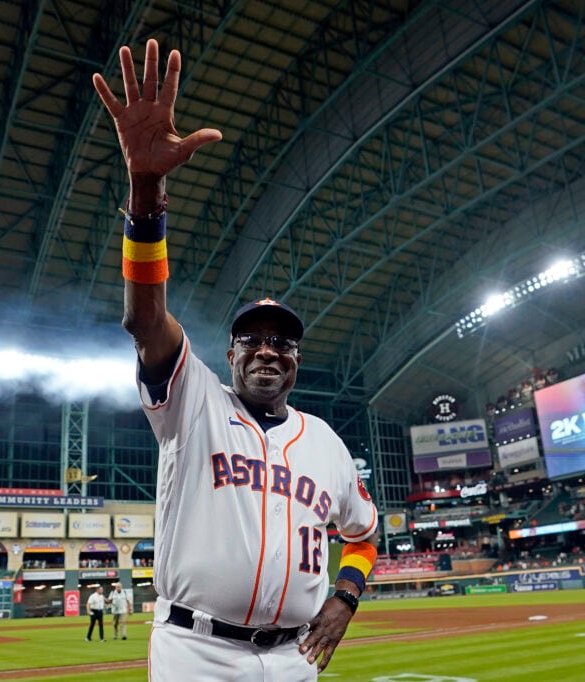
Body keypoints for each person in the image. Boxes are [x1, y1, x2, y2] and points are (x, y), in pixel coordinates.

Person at [92, 39, 380, 681]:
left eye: (283, 342)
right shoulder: (194, 402)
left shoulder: (327, 444)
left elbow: (362, 534)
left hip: (295, 658)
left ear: (297, 360)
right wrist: (146, 190)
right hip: (197, 654)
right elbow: (145, 320)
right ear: (230, 355)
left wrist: (345, 597)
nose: (268, 351)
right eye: (253, 340)